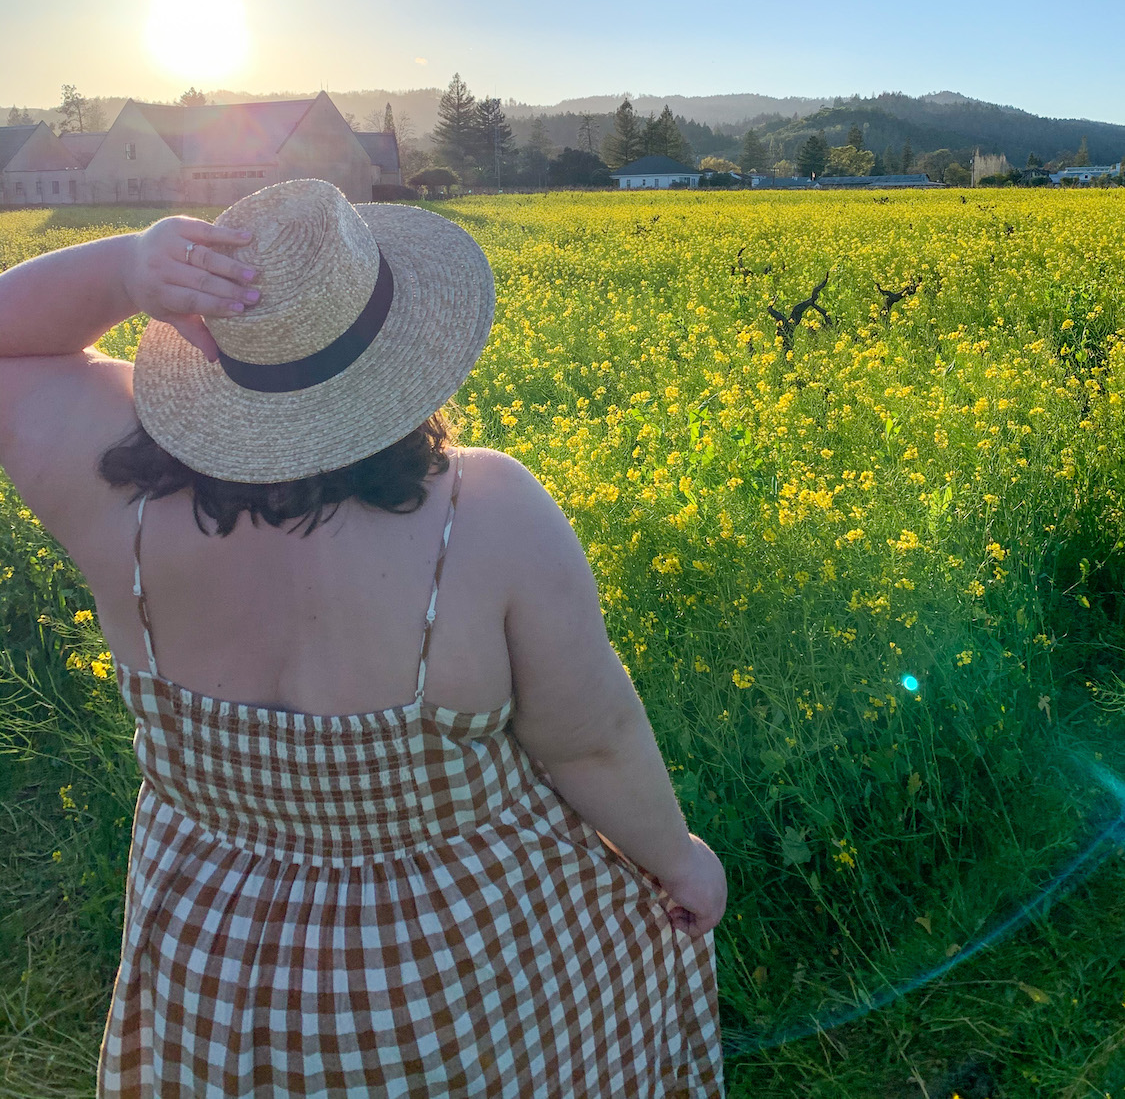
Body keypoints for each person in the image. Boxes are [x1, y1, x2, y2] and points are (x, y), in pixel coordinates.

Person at [0, 178, 726, 1098]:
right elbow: (592, 740)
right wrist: (677, 861)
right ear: (406, 349)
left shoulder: (104, 483)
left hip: (215, 944)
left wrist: (124, 267)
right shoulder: (488, 511)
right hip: (465, 951)